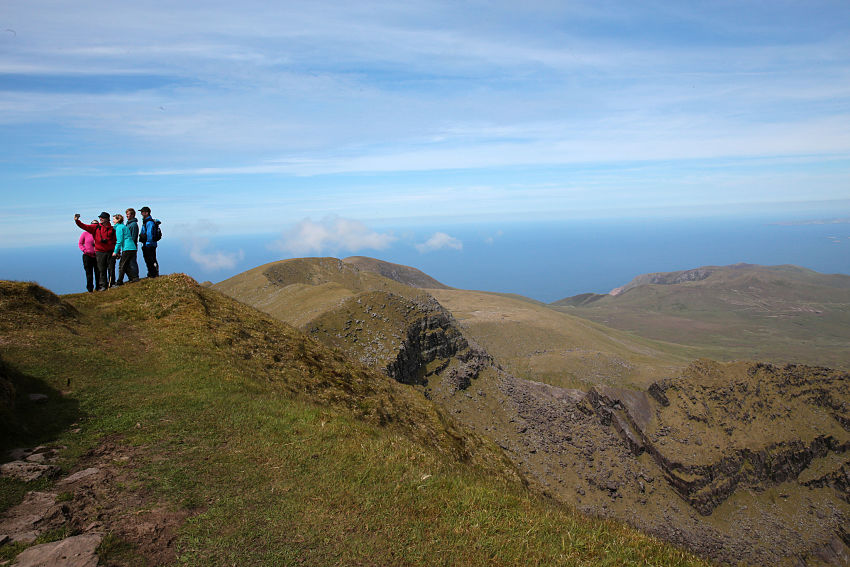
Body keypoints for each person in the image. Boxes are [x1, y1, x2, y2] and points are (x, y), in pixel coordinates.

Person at [75, 212, 117, 291]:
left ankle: (112, 284)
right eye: (100, 217)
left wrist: (117, 251)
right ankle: (103, 285)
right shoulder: (96, 227)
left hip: (110, 251)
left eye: (102, 217)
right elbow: (84, 226)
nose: (100, 219)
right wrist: (77, 221)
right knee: (101, 269)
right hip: (100, 252)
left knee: (111, 268)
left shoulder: (112, 229)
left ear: (107, 219)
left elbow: (115, 241)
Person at [78, 218, 98, 292]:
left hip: (97, 256)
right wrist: (84, 250)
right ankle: (90, 289)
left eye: (96, 224)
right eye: (93, 224)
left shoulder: (99, 233)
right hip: (87, 256)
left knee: (98, 272)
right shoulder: (85, 233)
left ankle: (98, 287)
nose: (94, 225)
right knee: (89, 273)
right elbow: (80, 243)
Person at [139, 206, 159, 278]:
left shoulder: (149, 222)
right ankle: (152, 273)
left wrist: (147, 243)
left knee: (150, 259)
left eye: (142, 212)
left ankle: (153, 274)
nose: (141, 214)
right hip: (149, 244)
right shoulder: (147, 221)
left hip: (149, 244)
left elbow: (149, 234)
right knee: (150, 259)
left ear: (146, 213)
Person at [123, 208, 141, 282]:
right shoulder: (128, 224)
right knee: (128, 262)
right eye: (126, 214)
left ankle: (135, 277)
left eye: (128, 214)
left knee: (132, 262)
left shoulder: (133, 224)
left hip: (131, 247)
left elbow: (133, 237)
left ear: (133, 215)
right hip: (128, 246)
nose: (127, 216)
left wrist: (131, 246)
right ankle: (132, 277)